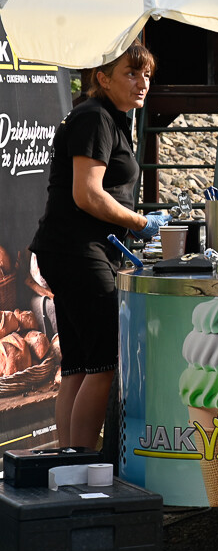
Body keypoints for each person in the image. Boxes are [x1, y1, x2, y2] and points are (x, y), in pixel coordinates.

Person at [31, 41, 167, 449]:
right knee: (106, 361)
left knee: (78, 366)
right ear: (102, 78)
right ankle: (84, 460)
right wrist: (141, 223)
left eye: (146, 74)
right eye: (131, 73)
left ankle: (69, 461)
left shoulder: (110, 118)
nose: (142, 82)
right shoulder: (94, 118)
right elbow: (87, 194)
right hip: (77, 250)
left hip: (72, 249)